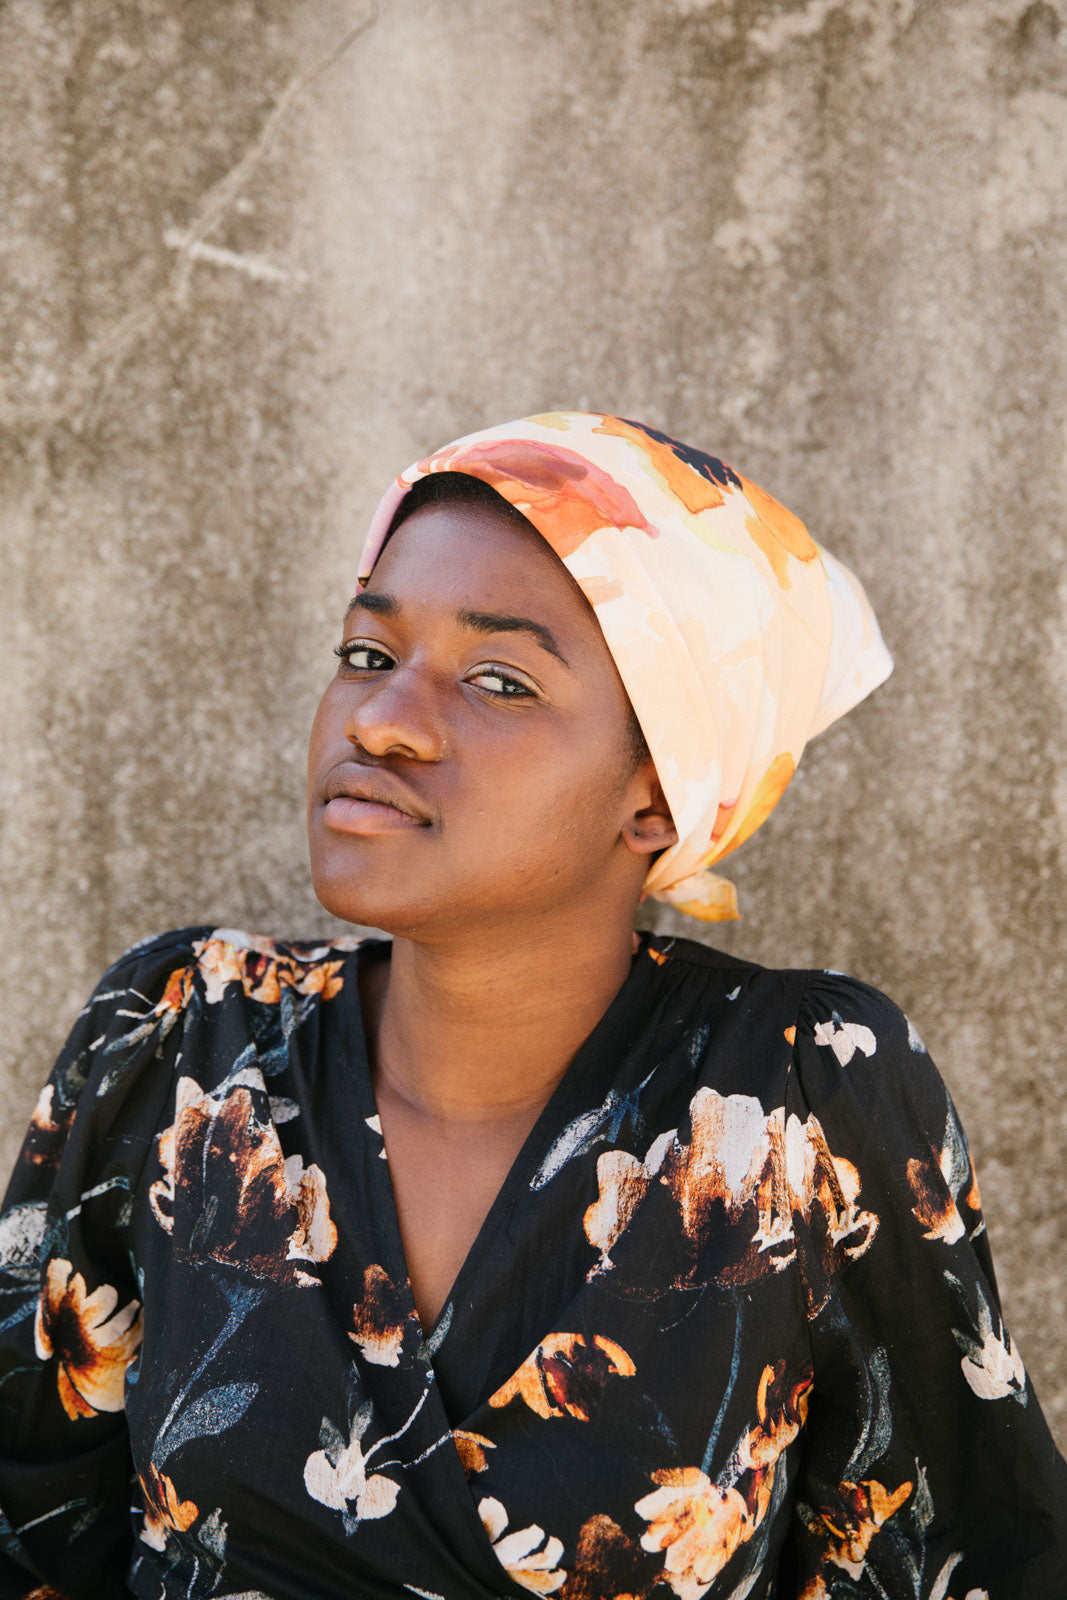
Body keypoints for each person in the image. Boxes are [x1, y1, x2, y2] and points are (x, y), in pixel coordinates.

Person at [0, 411, 1063, 1600]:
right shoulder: (177, 1037)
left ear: (655, 795)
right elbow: (28, 1530)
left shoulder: (795, 1098)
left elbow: (967, 1557)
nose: (378, 719)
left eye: (498, 681)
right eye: (367, 654)